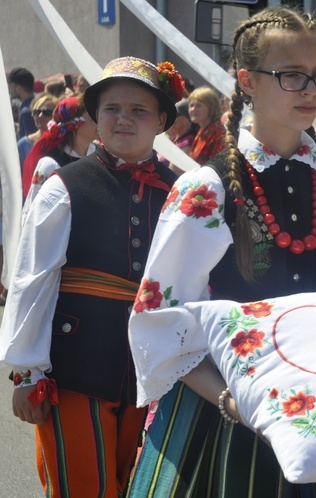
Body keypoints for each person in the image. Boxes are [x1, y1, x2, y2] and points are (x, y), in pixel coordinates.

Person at [126, 7, 316, 496]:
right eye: (292, 76)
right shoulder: (207, 188)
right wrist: (231, 400)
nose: (312, 91)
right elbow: (161, 316)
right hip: (230, 414)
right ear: (247, 81)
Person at [0, 56, 182, 498]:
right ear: (94, 117)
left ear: (161, 120)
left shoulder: (183, 190)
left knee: (144, 486)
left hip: (153, 370)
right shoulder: (65, 185)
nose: (124, 119)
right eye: (112, 109)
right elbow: (33, 281)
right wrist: (27, 372)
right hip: (73, 369)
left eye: (139, 110)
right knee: (82, 486)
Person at [22, 94, 98, 206]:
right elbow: (35, 208)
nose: (99, 122)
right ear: (76, 124)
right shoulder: (50, 164)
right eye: (92, 118)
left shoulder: (99, 156)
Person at [17, 93, 59, 167]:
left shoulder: (63, 142)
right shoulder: (23, 145)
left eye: (47, 112)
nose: (40, 116)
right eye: (36, 112)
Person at [188, 85, 225, 165]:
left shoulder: (219, 134)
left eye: (199, 105)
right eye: (191, 105)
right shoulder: (202, 130)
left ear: (211, 107)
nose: (193, 109)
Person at [8, 67, 36, 139]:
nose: (8, 87)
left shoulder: (26, 111)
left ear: (19, 89)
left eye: (10, 84)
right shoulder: (36, 104)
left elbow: (30, 144)